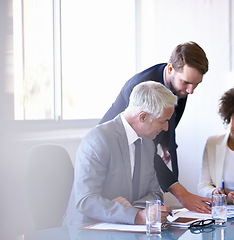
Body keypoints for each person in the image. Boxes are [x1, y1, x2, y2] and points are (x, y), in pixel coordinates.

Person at [99, 41, 212, 213]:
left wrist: (166, 145)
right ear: (170, 69)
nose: (191, 91)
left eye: (196, 84)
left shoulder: (180, 85)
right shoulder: (141, 88)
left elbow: (169, 123)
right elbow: (144, 148)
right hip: (111, 158)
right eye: (187, 83)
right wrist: (182, 194)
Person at [62, 81, 175, 226]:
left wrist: (133, 211)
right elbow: (86, 200)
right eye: (162, 122)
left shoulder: (148, 143)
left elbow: (155, 193)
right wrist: (135, 215)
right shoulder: (98, 139)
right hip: (86, 229)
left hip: (123, 228)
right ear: (143, 117)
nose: (166, 128)